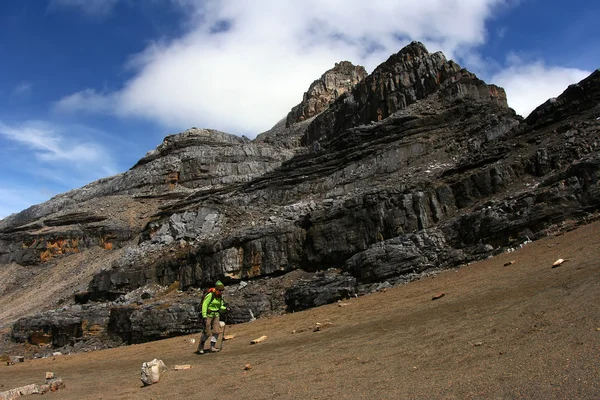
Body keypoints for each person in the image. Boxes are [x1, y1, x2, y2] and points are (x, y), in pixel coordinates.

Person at [196, 280, 229, 354]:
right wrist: (204, 316)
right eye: (220, 290)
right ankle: (201, 346)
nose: (221, 292)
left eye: (222, 291)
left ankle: (212, 347)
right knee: (207, 333)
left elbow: (220, 306)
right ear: (216, 289)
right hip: (208, 315)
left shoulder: (220, 297)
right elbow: (205, 305)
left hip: (216, 315)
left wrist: (225, 309)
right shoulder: (210, 295)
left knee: (216, 331)